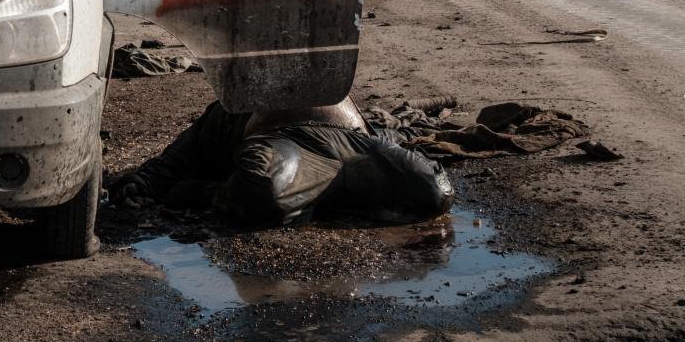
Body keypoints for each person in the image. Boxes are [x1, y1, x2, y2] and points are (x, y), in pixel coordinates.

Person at [107, 97, 453, 227]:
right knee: (262, 192)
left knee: (434, 189)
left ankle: (324, 198)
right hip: (283, 138)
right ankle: (227, 193)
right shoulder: (223, 115)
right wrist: (155, 183)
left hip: (349, 135)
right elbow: (172, 161)